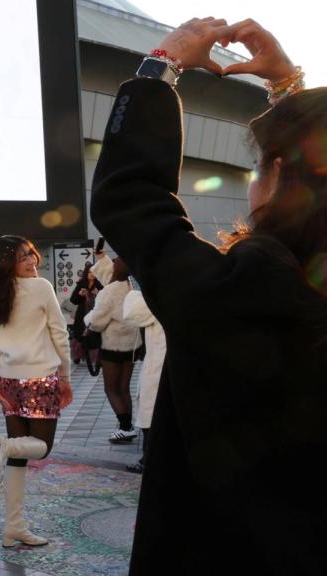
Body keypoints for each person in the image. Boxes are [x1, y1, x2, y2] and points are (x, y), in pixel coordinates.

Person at [91, 17, 327, 574]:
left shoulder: (247, 295)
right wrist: (289, 90)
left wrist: (161, 65)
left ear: (275, 177)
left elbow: (129, 195)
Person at [0, 235, 73, 548]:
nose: (32, 261)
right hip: (40, 379)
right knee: (41, 448)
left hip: (8, 382)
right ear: (9, 263)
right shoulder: (41, 287)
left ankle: (13, 529)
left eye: (31, 254)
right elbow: (59, 333)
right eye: (23, 258)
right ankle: (1, 446)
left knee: (18, 457)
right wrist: (66, 375)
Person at [84, 257, 143, 443]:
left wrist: (87, 321)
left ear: (117, 268)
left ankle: (125, 427)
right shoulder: (134, 288)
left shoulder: (109, 291)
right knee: (124, 388)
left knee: (111, 388)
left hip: (112, 346)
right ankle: (127, 426)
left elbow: (98, 322)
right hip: (132, 345)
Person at [121, 287, 164, 473]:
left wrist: (138, 289)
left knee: (151, 409)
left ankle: (149, 459)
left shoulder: (164, 290)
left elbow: (133, 312)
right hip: (163, 359)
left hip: (161, 361)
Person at [68, 263, 103, 364]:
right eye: (89, 272)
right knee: (80, 335)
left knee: (93, 335)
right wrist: (80, 295)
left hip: (94, 315)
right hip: (82, 314)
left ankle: (94, 358)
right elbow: (73, 300)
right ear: (86, 273)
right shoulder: (81, 283)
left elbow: (104, 301)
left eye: (93, 272)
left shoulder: (98, 284)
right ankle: (77, 356)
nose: (91, 274)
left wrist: (98, 294)